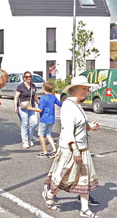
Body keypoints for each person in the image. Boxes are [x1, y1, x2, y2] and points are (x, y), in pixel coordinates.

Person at [42, 76, 100, 218]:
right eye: (84, 89)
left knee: (83, 178)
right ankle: (49, 193)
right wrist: (74, 150)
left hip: (82, 148)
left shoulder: (78, 105)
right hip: (71, 149)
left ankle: (84, 209)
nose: (87, 91)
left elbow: (78, 125)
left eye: (87, 89)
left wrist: (89, 127)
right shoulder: (68, 105)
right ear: (74, 89)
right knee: (65, 177)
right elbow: (67, 130)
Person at [27, 81, 62, 158]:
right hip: (52, 118)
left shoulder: (43, 98)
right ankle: (54, 150)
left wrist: (30, 108)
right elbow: (60, 104)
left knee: (41, 135)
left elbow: (40, 110)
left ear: (44, 89)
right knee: (48, 134)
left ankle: (45, 151)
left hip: (44, 119)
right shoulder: (53, 97)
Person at [14, 71, 39, 148]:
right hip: (22, 107)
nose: (28, 78)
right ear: (24, 78)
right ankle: (25, 141)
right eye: (27, 77)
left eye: (30, 76)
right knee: (25, 124)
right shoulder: (20, 86)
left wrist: (40, 105)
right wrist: (15, 107)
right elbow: (16, 97)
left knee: (34, 122)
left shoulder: (33, 86)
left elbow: (35, 97)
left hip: (31, 107)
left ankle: (29, 138)